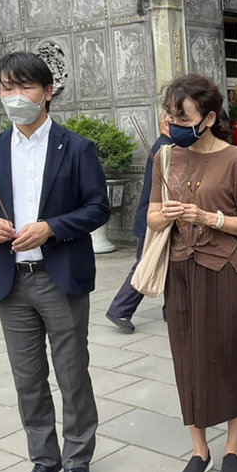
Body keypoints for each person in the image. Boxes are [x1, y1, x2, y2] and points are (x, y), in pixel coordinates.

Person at [0, 51, 110, 472]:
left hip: (59, 276)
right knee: (27, 377)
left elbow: (96, 207)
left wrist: (51, 228)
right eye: (6, 88)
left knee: (72, 374)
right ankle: (44, 460)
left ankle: (79, 460)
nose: (15, 97)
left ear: (47, 92)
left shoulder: (77, 148)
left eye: (25, 87)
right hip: (12, 281)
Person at [147, 74, 237, 472]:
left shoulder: (236, 160)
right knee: (187, 359)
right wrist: (173, 214)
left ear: (209, 118)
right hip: (181, 269)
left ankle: (233, 447)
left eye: (183, 115)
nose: (173, 122)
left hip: (223, 270)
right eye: (170, 114)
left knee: (227, 356)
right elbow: (152, 217)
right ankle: (199, 450)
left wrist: (208, 218)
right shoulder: (164, 158)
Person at [105, 112, 173, 332]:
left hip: (155, 219)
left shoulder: (167, 145)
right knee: (146, 265)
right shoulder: (165, 148)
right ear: (165, 123)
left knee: (169, 266)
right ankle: (119, 309)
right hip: (151, 221)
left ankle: (170, 310)